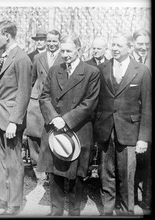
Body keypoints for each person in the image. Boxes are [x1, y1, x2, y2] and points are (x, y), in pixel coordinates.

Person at [37, 34, 100, 216]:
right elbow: (44, 96)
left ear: (78, 49)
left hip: (78, 128)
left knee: (76, 175)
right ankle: (56, 211)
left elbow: (90, 103)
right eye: (62, 51)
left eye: (68, 51)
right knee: (54, 173)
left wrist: (66, 120)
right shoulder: (55, 70)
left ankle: (74, 212)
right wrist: (54, 117)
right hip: (54, 127)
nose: (64, 55)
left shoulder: (91, 72)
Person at [94, 31, 151, 215]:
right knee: (106, 174)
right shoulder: (102, 68)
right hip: (105, 130)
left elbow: (147, 107)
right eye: (113, 45)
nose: (115, 49)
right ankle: (108, 210)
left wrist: (143, 138)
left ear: (129, 47)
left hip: (130, 132)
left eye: (119, 45)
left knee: (127, 177)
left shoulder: (141, 70)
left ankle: (127, 211)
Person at [0, 20, 32, 216]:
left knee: (14, 162)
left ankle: (14, 204)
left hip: (10, 120)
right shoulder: (5, 55)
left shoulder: (21, 58)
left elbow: (24, 92)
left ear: (7, 36)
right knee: (1, 161)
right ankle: (3, 199)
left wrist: (14, 121)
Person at [24, 29, 63, 182]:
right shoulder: (38, 57)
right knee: (34, 135)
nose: (51, 44)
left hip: (54, 102)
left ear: (59, 41)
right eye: (49, 41)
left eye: (54, 41)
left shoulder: (64, 56)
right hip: (37, 100)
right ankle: (37, 167)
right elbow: (33, 79)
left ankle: (51, 170)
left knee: (52, 136)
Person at [129, 29, 151, 213]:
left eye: (146, 44)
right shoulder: (127, 61)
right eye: (140, 43)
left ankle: (148, 202)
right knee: (135, 161)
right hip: (134, 120)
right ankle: (132, 199)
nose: (143, 47)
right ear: (133, 43)